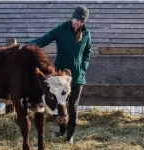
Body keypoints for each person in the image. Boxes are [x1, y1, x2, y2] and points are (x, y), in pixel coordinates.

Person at [20, 6, 91, 143]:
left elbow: (87, 54)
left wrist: (83, 67)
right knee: (60, 104)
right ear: (73, 17)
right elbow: (44, 39)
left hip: (77, 77)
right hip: (60, 78)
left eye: (82, 22)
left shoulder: (86, 34)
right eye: (77, 20)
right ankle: (62, 128)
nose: (79, 23)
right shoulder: (62, 29)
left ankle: (70, 136)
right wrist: (29, 45)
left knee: (73, 107)